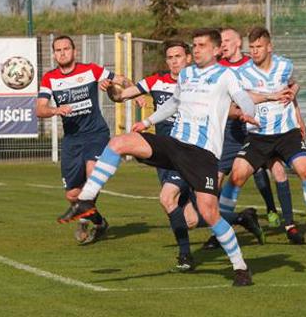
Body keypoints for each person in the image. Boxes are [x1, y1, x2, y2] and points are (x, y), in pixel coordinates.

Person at [58, 28, 293, 286]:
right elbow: (173, 104)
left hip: (202, 154)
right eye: (195, 45)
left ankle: (240, 267)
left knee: (209, 214)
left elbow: (244, 98)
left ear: (216, 50)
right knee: (118, 142)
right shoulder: (187, 75)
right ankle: (86, 199)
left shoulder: (226, 75)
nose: (197, 49)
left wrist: (249, 113)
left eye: (202, 45)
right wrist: (147, 121)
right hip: (174, 143)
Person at [111, 40, 264, 271]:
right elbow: (120, 96)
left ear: (189, 58)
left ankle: (185, 256)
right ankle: (240, 218)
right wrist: (111, 87)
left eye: (179, 56)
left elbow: (234, 104)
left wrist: (249, 109)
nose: (174, 61)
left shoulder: (205, 83)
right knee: (190, 218)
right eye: (170, 57)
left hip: (195, 153)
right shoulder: (156, 81)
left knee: (168, 198)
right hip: (166, 154)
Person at [226, 27, 306, 247]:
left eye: (259, 47)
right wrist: (269, 96)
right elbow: (241, 98)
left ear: (269, 47)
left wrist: (298, 114)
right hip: (259, 135)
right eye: (252, 47)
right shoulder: (242, 72)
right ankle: (220, 231)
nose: (255, 51)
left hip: (287, 133)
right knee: (237, 175)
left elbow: (291, 85)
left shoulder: (285, 65)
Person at [37, 35, 134, 244]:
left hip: (96, 133)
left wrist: (136, 93)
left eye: (66, 49)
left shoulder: (91, 70)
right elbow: (40, 109)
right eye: (58, 50)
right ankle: (98, 222)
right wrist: (55, 110)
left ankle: (82, 220)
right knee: (73, 195)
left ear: (75, 51)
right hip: (72, 139)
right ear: (54, 54)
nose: (62, 53)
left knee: (92, 173)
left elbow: (122, 80)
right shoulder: (49, 78)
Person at [216, 27, 290, 228]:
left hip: (255, 126)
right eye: (221, 41)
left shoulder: (252, 65)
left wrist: (298, 118)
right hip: (229, 128)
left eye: (227, 40)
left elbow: (287, 87)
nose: (223, 45)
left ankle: (272, 210)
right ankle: (219, 218)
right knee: (219, 174)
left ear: (238, 43)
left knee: (260, 170)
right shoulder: (219, 67)